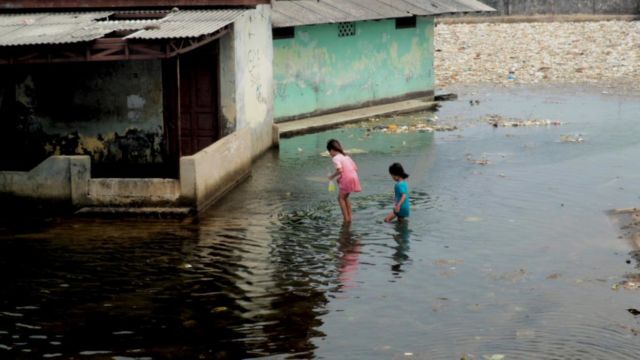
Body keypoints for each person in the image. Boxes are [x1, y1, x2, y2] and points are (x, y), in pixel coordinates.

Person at [327, 139, 361, 223]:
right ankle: (350, 217)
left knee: (340, 198)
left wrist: (331, 177)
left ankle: (346, 219)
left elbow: (340, 170)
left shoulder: (335, 158)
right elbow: (355, 168)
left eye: (329, 152)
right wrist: (339, 178)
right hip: (354, 177)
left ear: (332, 150)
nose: (330, 154)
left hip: (347, 179)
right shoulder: (346, 157)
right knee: (345, 197)